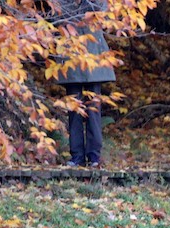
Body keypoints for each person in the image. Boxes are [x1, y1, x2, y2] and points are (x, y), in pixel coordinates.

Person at [55, 0, 116, 167]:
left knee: (93, 108)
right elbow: (57, 16)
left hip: (93, 51)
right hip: (71, 52)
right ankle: (77, 156)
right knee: (74, 109)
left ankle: (93, 156)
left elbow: (101, 11)